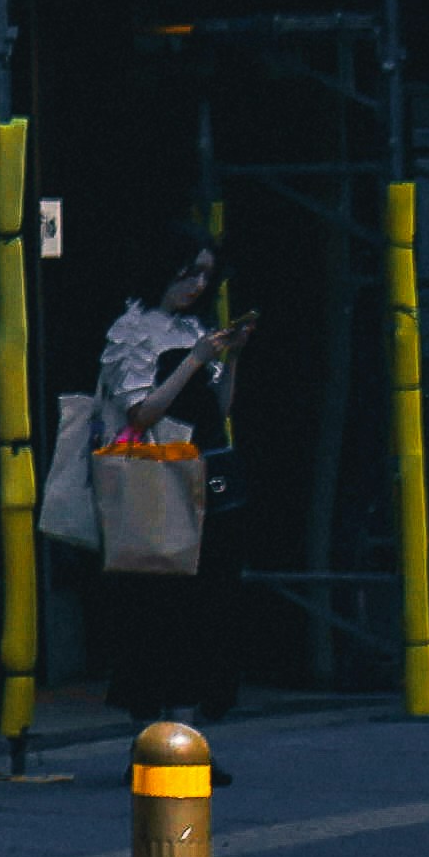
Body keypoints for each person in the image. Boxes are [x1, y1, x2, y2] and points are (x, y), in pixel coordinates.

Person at [95, 250, 251, 725]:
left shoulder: (194, 328)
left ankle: (191, 722)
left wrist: (231, 356)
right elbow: (139, 412)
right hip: (158, 473)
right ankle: (154, 724)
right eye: (189, 272)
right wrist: (192, 362)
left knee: (210, 596)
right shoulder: (135, 328)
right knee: (161, 599)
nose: (197, 285)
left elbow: (219, 408)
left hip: (209, 467)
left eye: (206, 274)